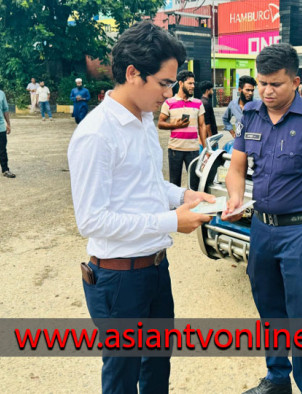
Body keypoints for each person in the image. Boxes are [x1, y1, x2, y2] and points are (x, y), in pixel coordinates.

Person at [67, 21, 214, 394]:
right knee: (122, 377)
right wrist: (170, 220)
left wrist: (184, 197)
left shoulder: (146, 119)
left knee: (156, 367)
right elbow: (91, 220)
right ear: (133, 73)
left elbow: (147, 185)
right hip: (118, 279)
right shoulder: (97, 133)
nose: (170, 92)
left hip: (154, 268)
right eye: (164, 83)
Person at [222, 43, 302, 394]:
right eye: (261, 83)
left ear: (295, 80)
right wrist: (234, 197)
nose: (267, 91)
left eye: (275, 83)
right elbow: (237, 166)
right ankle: (277, 378)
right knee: (268, 306)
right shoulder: (252, 114)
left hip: (301, 232)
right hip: (262, 228)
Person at [158, 70, 207, 187]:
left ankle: (193, 205)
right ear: (180, 83)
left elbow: (202, 126)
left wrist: (205, 148)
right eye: (190, 83)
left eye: (194, 83)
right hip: (175, 149)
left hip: (193, 150)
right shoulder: (169, 103)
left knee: (194, 183)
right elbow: (160, 123)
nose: (193, 86)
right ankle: (176, 206)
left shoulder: (198, 103)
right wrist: (176, 125)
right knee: (174, 183)